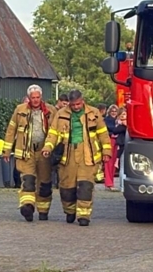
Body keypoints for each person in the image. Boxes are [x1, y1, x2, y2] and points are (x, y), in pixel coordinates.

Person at [42, 90, 112, 226]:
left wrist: (107, 151)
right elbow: (53, 133)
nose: (76, 107)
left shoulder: (94, 113)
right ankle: (70, 211)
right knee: (67, 188)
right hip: (67, 155)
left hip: (88, 155)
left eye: (78, 104)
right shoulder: (61, 114)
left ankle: (84, 216)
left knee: (85, 186)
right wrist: (47, 148)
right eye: (73, 105)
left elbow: (103, 133)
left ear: (83, 100)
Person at [2, 84, 55, 221]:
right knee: (28, 181)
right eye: (33, 98)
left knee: (44, 183)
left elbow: (56, 131)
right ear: (29, 98)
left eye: (38, 97)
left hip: (44, 152)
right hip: (26, 151)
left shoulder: (50, 110)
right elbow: (11, 130)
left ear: (41, 97)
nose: (36, 100)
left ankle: (43, 210)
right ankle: (28, 207)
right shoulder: (20, 110)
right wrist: (6, 150)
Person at [103, 105, 120, 190]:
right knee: (108, 162)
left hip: (116, 142)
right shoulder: (107, 120)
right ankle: (108, 183)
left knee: (114, 163)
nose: (114, 113)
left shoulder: (118, 121)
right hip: (110, 141)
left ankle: (111, 183)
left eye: (115, 111)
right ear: (109, 112)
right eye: (112, 111)